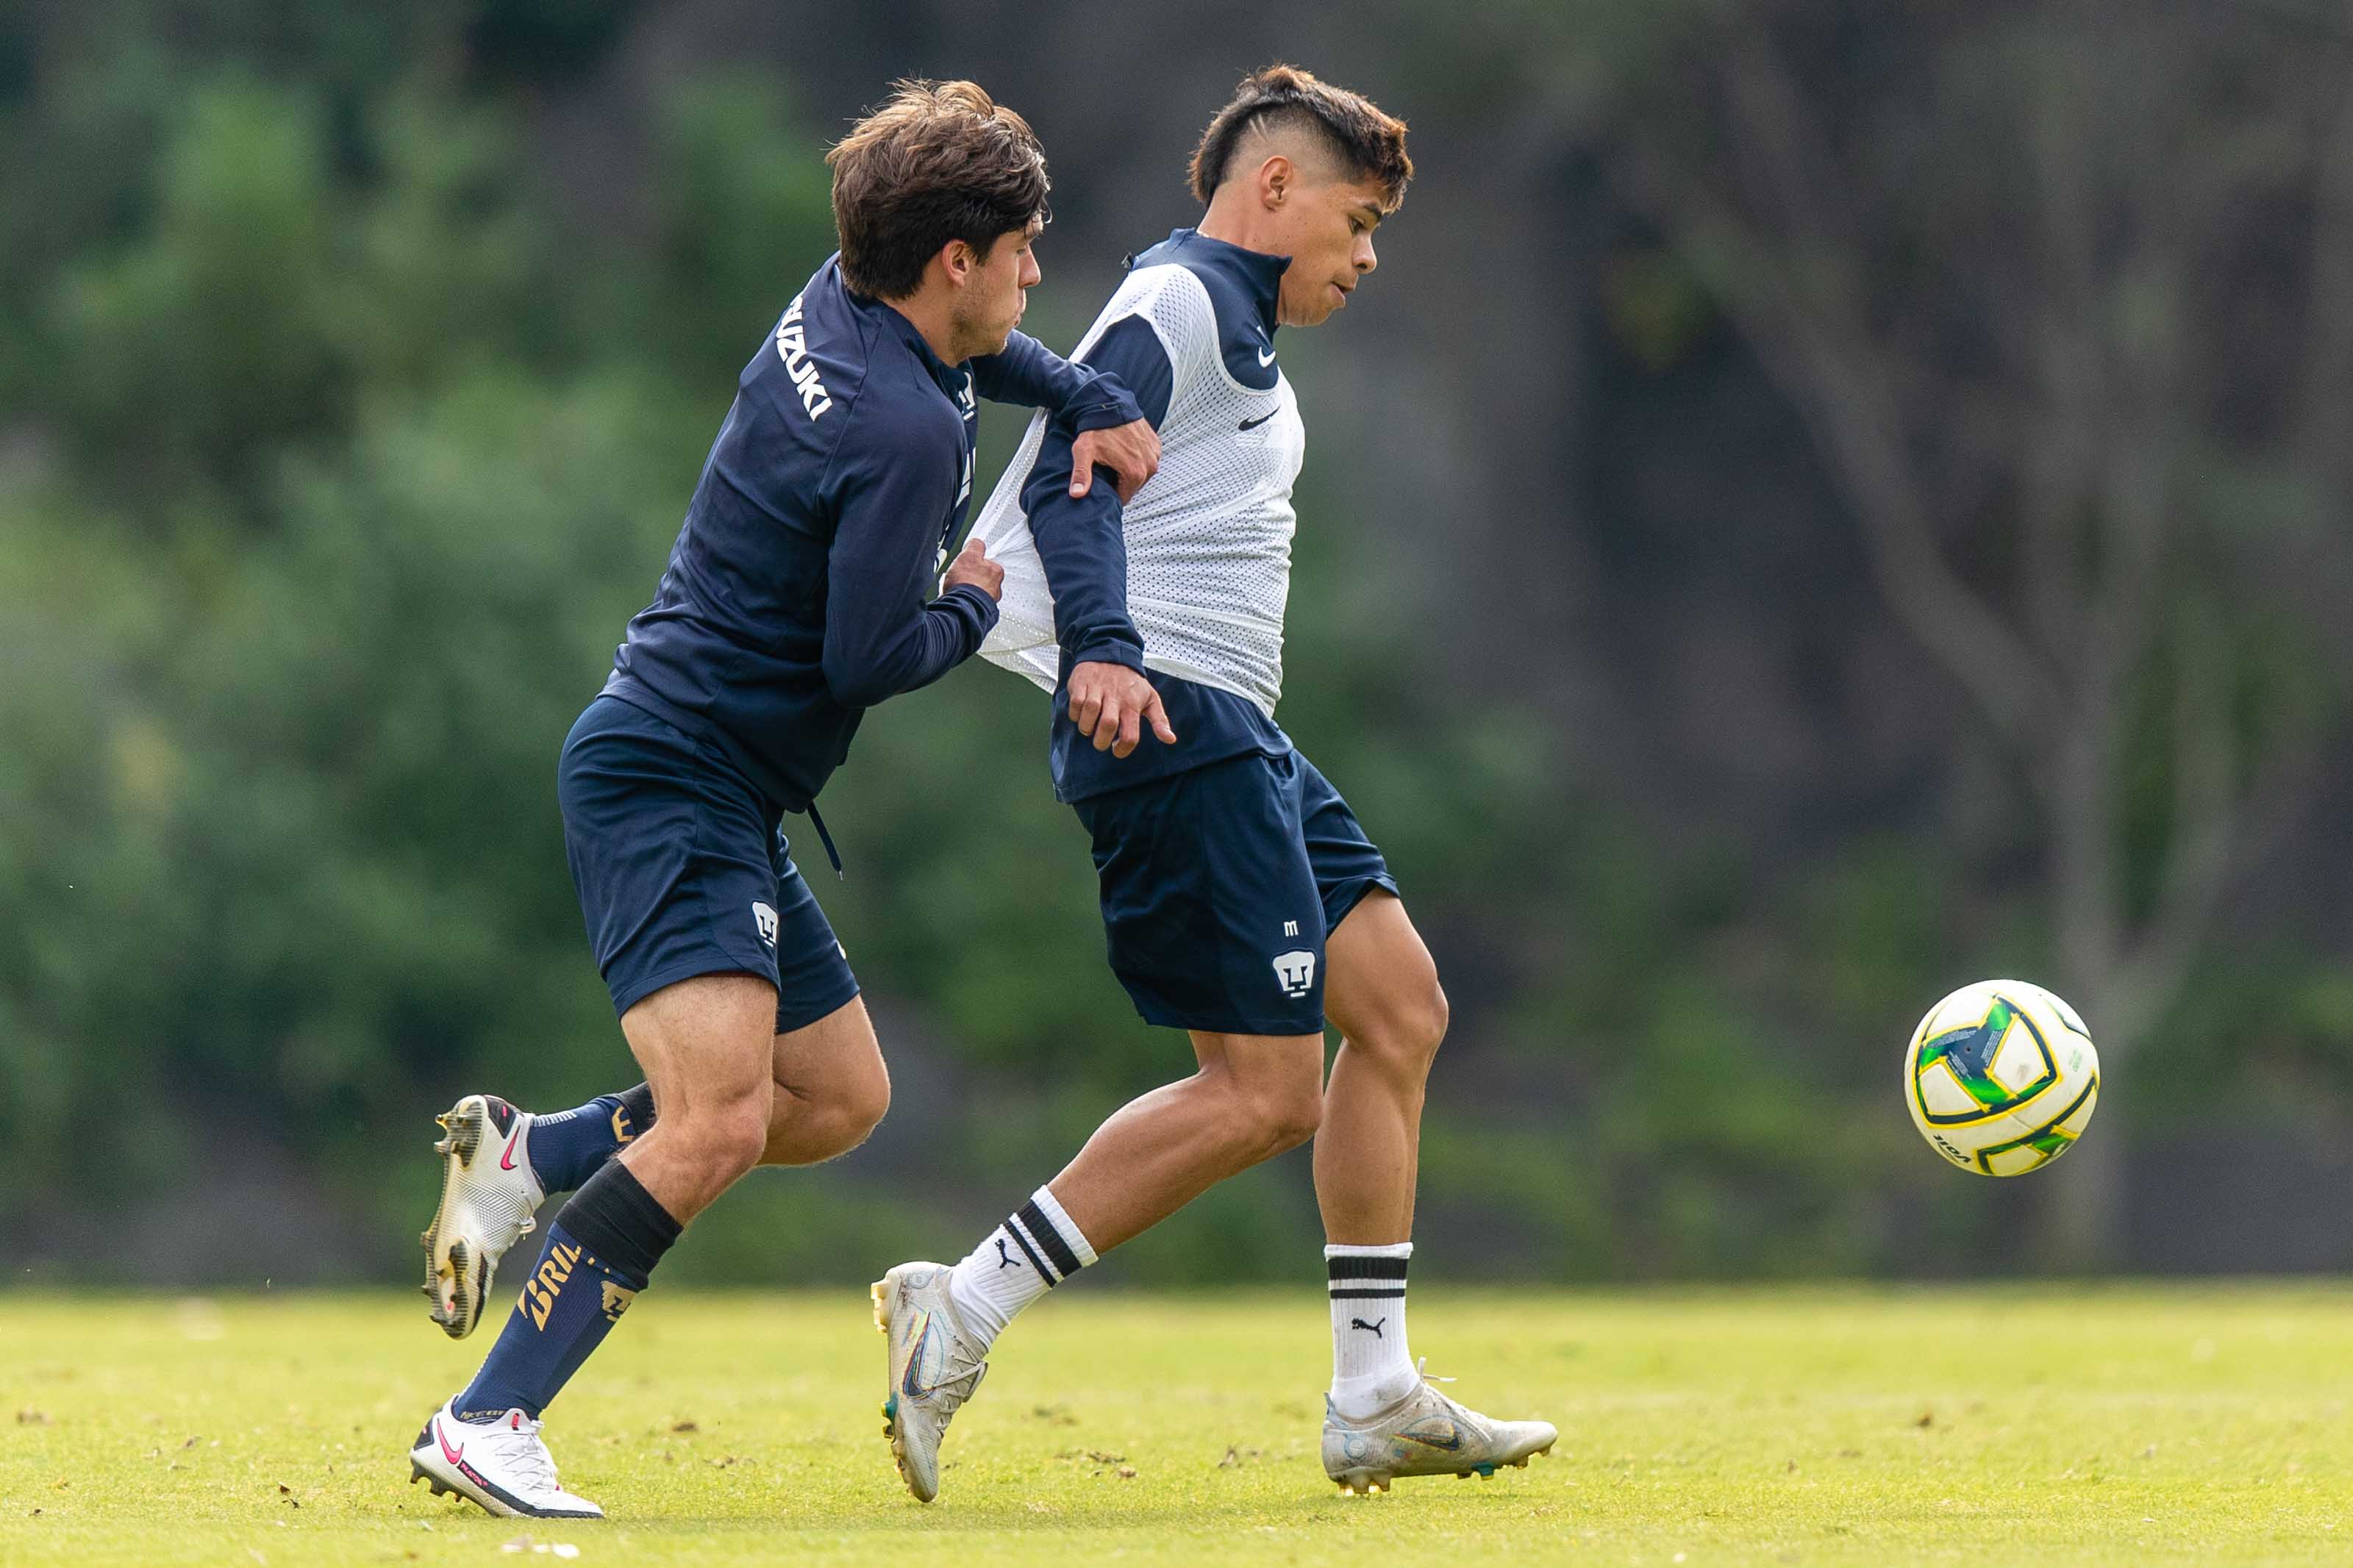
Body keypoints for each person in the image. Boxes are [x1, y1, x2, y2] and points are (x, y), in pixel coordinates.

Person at [404, 79, 1160, 1520]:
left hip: (713, 779)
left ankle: (533, 1153)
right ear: (954, 259)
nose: (1034, 274)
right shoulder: (903, 431)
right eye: (1021, 250)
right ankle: (485, 1417)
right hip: (671, 773)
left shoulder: (846, 294)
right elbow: (865, 657)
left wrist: (1076, 391)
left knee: (835, 1095)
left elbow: (981, 351)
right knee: (717, 1123)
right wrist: (973, 603)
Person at [870, 65, 1554, 1503]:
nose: (1366, 258)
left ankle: (1374, 1391)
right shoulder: (1177, 302)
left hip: (1237, 726)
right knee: (1262, 1093)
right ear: (1276, 187)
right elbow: (1067, 475)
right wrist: (1105, 650)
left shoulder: (1235, 329)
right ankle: (963, 1304)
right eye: (1358, 223)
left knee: (1402, 1007)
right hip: (1170, 718)